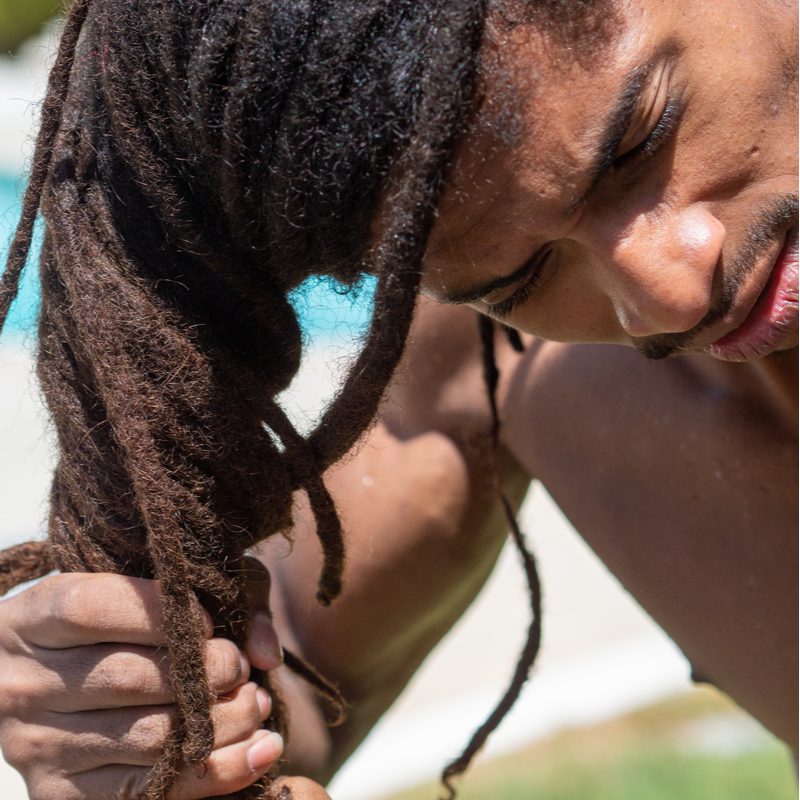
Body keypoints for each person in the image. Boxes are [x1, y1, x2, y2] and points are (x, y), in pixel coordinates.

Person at [0, 0, 796, 798]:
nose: (670, 297)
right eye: (522, 279)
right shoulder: (505, 362)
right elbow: (293, 685)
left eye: (641, 139)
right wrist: (116, 716)